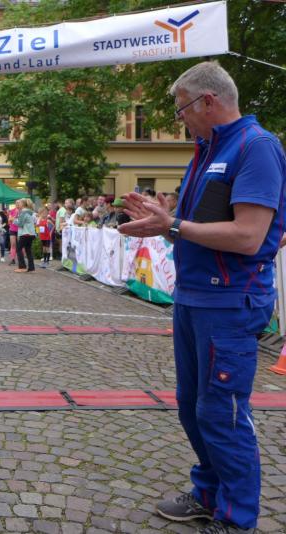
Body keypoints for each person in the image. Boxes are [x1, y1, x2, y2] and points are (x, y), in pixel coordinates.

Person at [119, 61, 286, 534]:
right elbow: (196, 231)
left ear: (207, 101)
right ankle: (209, 493)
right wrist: (163, 222)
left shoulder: (255, 147)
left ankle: (236, 517)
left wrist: (171, 223)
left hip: (230, 301)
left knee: (221, 412)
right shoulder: (208, 150)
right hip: (196, 297)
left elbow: (249, 236)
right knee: (193, 407)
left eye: (181, 109)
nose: (180, 118)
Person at [15, 198, 36, 273]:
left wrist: (13, 220)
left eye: (20, 203)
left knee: (18, 249)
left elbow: (20, 224)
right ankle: (31, 268)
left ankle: (22, 267)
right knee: (28, 250)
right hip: (31, 234)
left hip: (25, 233)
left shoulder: (23, 212)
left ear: (23, 204)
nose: (18, 204)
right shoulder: (30, 212)